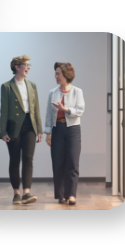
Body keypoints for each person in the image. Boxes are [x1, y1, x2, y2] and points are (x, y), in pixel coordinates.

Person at [0, 55, 42, 205]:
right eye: (26, 65)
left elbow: (36, 109)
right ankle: (16, 193)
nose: (28, 67)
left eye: (29, 65)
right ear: (17, 67)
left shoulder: (32, 85)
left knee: (28, 159)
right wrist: (2, 131)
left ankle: (26, 193)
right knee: (15, 160)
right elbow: (4, 110)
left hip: (30, 125)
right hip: (13, 127)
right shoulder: (6, 86)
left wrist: (40, 129)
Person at [45, 62, 84, 205]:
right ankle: (61, 195)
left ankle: (71, 194)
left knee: (72, 162)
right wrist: (48, 132)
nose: (55, 76)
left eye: (58, 73)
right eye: (55, 73)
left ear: (66, 75)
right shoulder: (52, 92)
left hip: (73, 130)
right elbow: (49, 114)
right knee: (58, 162)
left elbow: (80, 110)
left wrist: (65, 109)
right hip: (57, 129)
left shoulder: (77, 91)